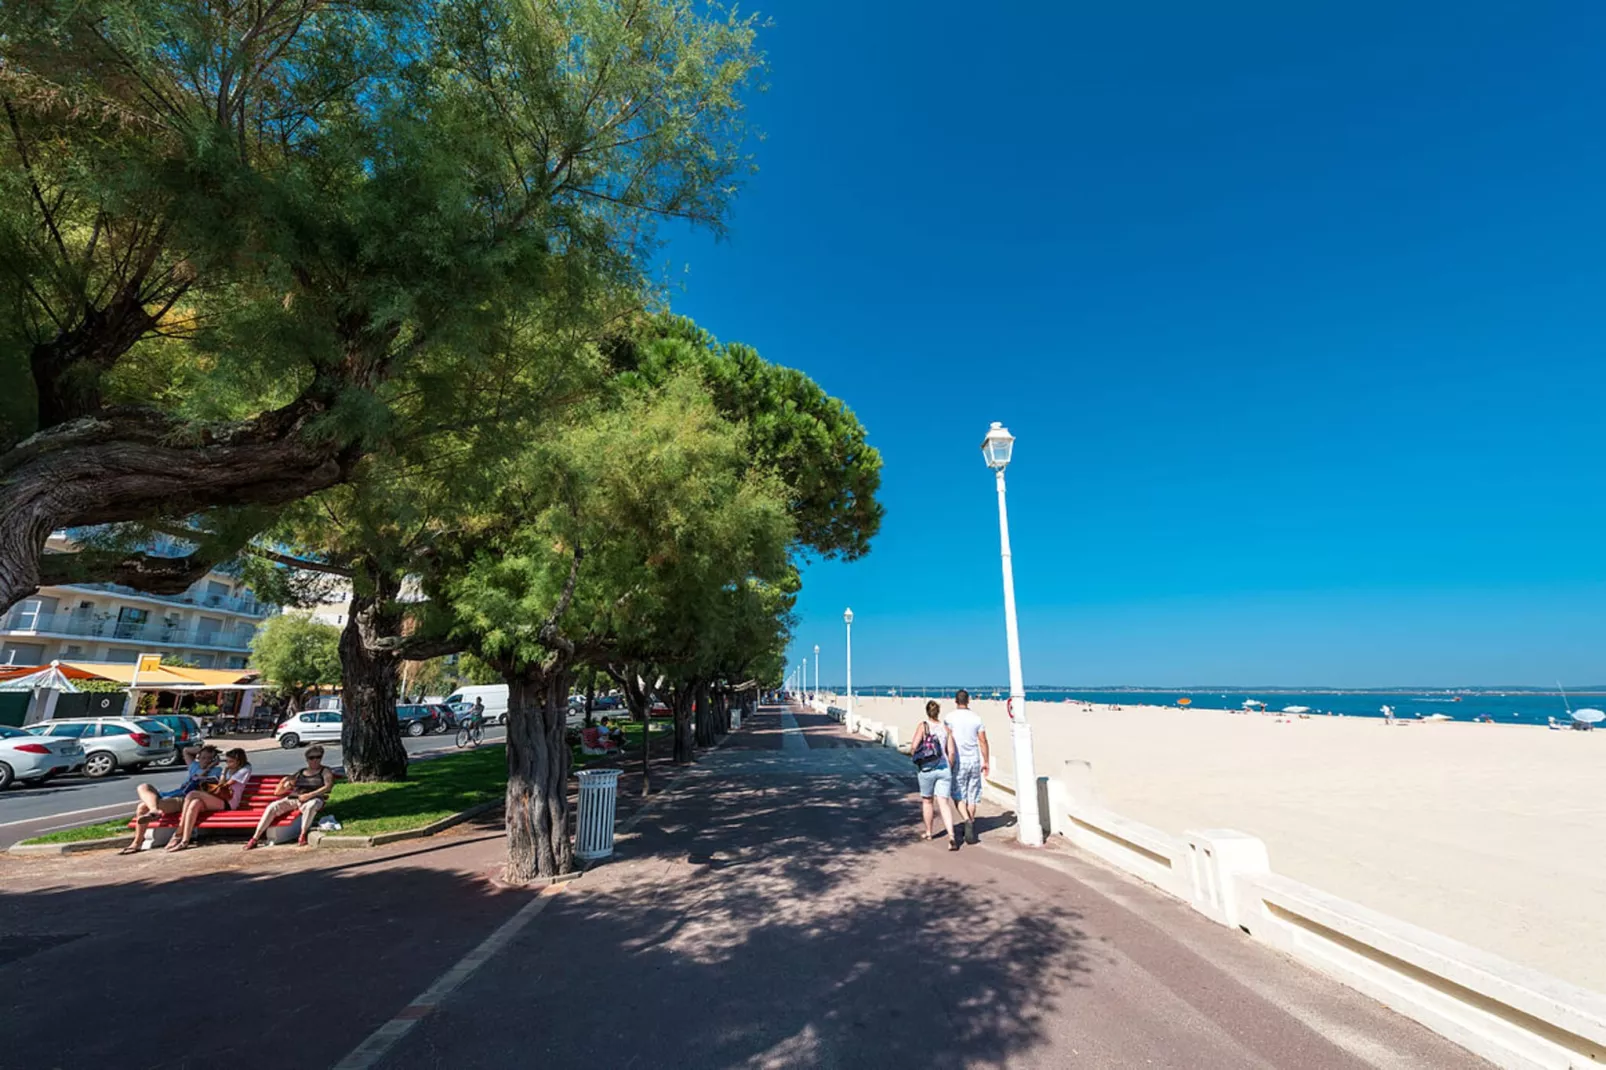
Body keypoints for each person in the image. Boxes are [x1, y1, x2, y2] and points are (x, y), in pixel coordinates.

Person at [122, 745, 221, 855]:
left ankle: (137, 843)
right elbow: (186, 750)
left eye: (209, 759)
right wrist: (203, 750)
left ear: (214, 760)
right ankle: (154, 810)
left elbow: (199, 780)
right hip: (173, 793)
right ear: (199, 757)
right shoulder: (194, 766)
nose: (206, 761)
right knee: (143, 787)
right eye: (203, 758)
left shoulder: (216, 770)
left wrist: (210, 766)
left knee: (142, 807)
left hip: (184, 798)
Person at [245, 745, 335, 850]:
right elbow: (278, 792)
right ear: (307, 759)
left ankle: (303, 834)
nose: (315, 760)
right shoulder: (300, 772)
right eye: (312, 758)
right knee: (272, 806)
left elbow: (328, 786)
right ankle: (255, 838)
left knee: (311, 806)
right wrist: (285, 784)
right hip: (295, 798)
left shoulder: (325, 771)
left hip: (314, 798)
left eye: (318, 757)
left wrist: (310, 795)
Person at [166, 748, 252, 852]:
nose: (228, 764)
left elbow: (224, 785)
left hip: (229, 802)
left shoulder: (245, 769)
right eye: (227, 761)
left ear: (238, 761)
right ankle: (184, 840)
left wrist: (224, 772)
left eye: (230, 761)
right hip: (218, 799)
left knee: (192, 794)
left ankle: (178, 831)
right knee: (194, 803)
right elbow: (221, 783)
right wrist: (224, 772)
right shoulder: (229, 769)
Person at [911, 701, 959, 850]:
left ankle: (929, 832)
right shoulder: (946, 729)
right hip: (944, 768)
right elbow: (951, 752)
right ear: (938, 712)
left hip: (926, 769)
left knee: (927, 801)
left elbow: (913, 747)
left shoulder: (923, 726)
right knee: (944, 802)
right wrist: (948, 767)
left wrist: (916, 755)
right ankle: (951, 835)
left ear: (927, 712)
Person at [943, 690, 988, 845]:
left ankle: (967, 820)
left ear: (956, 701)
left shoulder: (949, 718)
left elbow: (945, 738)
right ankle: (971, 823)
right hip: (974, 760)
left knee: (957, 794)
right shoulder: (976, 718)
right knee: (972, 795)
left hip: (958, 761)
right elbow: (982, 740)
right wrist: (986, 761)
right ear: (968, 701)